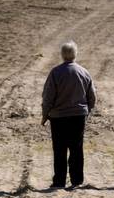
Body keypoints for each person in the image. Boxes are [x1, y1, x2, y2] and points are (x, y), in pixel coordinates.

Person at [41, 40, 96, 189]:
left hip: (58, 117)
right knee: (76, 148)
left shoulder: (55, 72)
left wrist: (45, 115)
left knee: (59, 149)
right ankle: (77, 180)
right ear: (75, 54)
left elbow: (48, 97)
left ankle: (59, 181)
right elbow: (92, 96)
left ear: (62, 55)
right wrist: (87, 110)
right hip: (78, 116)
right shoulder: (84, 72)